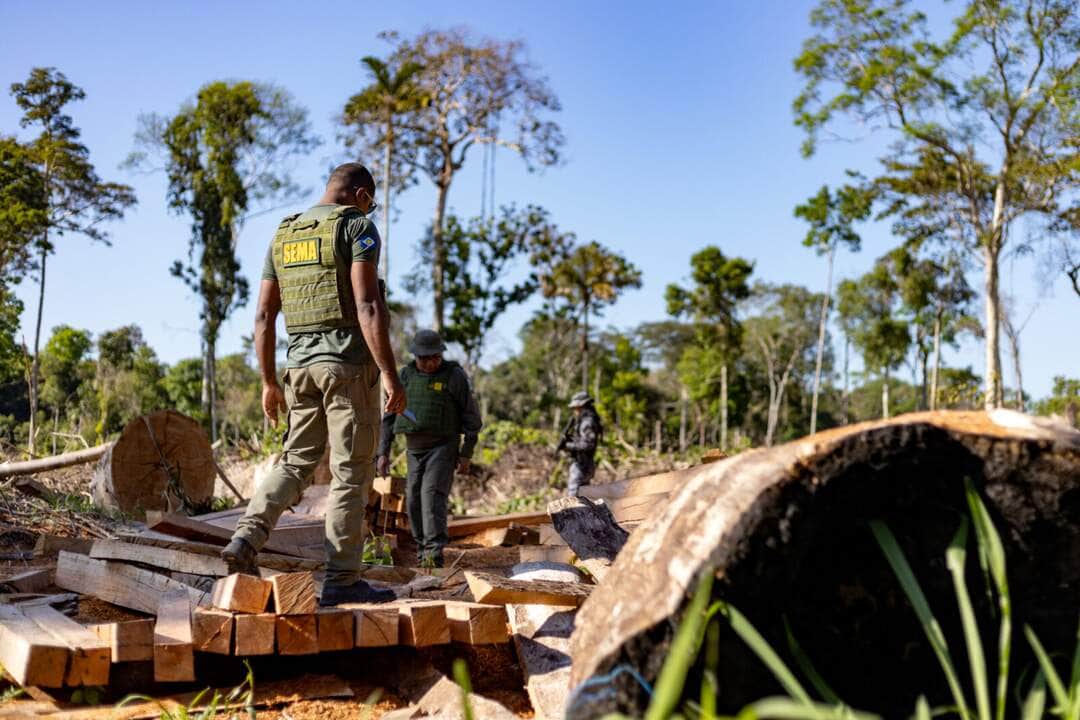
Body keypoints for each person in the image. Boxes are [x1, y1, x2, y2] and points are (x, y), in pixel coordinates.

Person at [220, 162, 406, 606]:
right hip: (345, 367)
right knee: (349, 472)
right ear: (360, 194)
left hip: (298, 368)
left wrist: (269, 381)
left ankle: (246, 536)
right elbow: (367, 304)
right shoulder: (358, 226)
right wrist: (389, 373)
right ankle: (342, 580)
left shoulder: (283, 235)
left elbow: (264, 316)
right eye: (371, 200)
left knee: (294, 460)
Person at [376, 330, 482, 567]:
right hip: (414, 449)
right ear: (415, 356)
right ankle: (422, 549)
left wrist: (466, 453)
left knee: (431, 495)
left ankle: (433, 555)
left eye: (434, 357)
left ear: (440, 355)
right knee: (413, 497)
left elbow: (472, 418)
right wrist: (382, 453)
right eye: (423, 358)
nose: (429, 363)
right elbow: (389, 418)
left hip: (443, 446)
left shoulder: (453, 376)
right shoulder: (404, 376)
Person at [557, 392, 602, 496]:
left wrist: (568, 446)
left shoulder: (587, 422)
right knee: (583, 496)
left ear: (581, 406)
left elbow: (587, 445)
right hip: (584, 463)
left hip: (582, 465)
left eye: (575, 408)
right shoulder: (586, 420)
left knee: (574, 496)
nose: (574, 411)